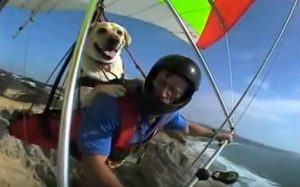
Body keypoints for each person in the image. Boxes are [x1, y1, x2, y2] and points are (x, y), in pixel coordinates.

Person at [77, 54, 232, 187]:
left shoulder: (167, 114)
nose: (163, 93)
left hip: (112, 161)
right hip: (81, 161)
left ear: (182, 98)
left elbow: (187, 128)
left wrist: (216, 134)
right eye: (161, 83)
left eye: (174, 91)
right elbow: (92, 163)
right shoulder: (110, 104)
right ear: (151, 79)